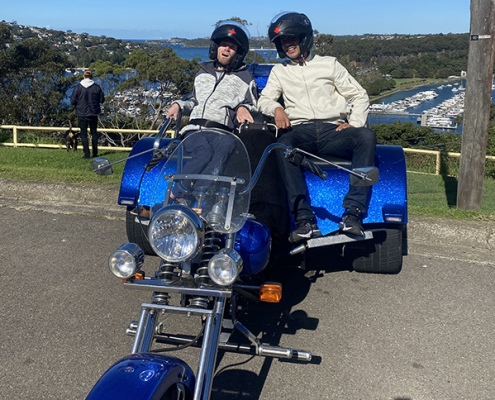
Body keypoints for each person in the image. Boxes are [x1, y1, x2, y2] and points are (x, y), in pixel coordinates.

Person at [258, 11, 377, 243]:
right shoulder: (280, 71)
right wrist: (276, 109)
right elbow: (264, 99)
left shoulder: (329, 64)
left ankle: (353, 214)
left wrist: (354, 123)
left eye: (292, 39)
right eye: (283, 41)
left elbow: (359, 95)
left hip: (333, 130)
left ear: (304, 39)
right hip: (300, 132)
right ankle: (305, 221)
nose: (288, 44)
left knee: (366, 136)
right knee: (282, 145)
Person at [166, 20, 257, 200]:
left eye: (232, 47)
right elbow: (192, 100)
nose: (226, 49)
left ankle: (200, 194)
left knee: (227, 145)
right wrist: (178, 104)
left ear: (238, 53)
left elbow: (253, 103)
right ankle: (179, 192)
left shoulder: (246, 78)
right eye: (223, 44)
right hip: (195, 130)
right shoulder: (203, 73)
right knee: (204, 151)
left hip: (222, 132)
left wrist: (242, 107)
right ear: (215, 47)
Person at [70, 69, 105, 159]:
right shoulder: (97, 87)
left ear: (83, 76)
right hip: (93, 113)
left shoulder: (78, 87)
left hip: (82, 113)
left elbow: (72, 101)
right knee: (94, 133)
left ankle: (86, 153)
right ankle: (95, 152)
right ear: (91, 76)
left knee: (83, 134)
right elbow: (102, 100)